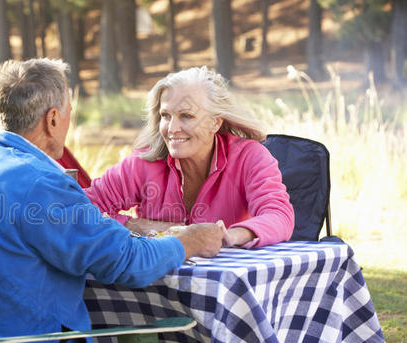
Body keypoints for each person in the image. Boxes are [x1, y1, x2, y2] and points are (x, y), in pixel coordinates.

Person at [0, 58, 224, 343]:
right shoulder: (40, 183)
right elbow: (129, 263)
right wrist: (188, 240)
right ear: (53, 119)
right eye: (69, 111)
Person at [85, 66, 294, 248]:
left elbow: (279, 216)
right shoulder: (143, 163)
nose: (172, 129)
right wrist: (137, 225)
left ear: (215, 122)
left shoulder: (249, 157)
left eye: (186, 116)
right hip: (154, 286)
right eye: (166, 116)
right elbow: (81, 208)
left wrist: (230, 236)